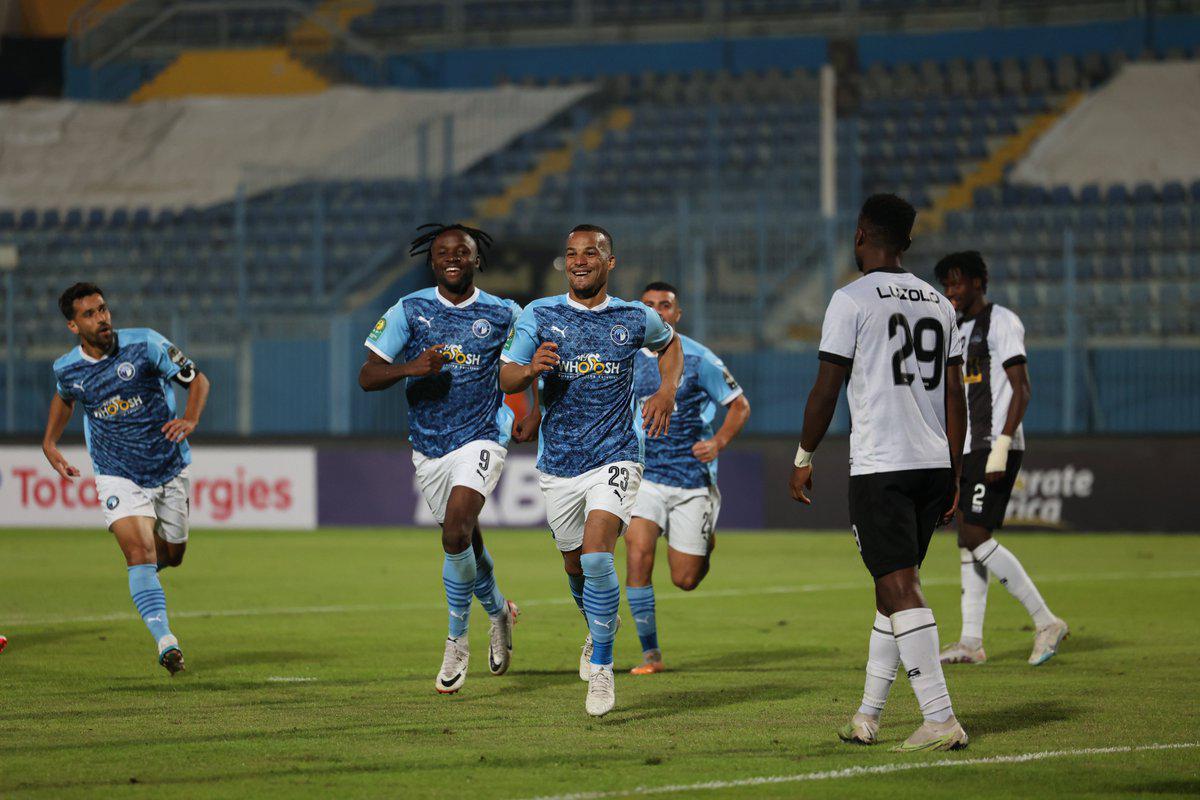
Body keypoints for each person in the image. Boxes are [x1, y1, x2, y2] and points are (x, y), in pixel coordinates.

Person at [789, 195, 969, 751]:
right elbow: (956, 395)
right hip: (933, 463)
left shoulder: (851, 299)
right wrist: (955, 472)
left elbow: (827, 386)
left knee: (900, 586)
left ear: (863, 232)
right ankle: (867, 716)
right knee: (889, 591)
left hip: (883, 467)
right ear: (907, 241)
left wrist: (803, 455)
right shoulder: (939, 302)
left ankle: (940, 718)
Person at [499, 224, 682, 717]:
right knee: (576, 567)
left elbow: (670, 345)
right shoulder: (541, 314)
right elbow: (506, 374)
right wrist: (531, 369)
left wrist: (666, 391)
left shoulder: (632, 316)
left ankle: (601, 668)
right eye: (572, 254)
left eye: (591, 253)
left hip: (617, 455)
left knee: (600, 558)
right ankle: (600, 626)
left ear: (610, 262)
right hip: (559, 464)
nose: (579, 261)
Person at [360, 223, 538, 695]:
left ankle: (456, 641)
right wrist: (411, 368)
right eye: (443, 252)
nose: (452, 258)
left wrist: (531, 410)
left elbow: (527, 362)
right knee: (465, 543)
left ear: (477, 260)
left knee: (456, 528)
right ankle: (499, 611)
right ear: (432, 261)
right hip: (429, 446)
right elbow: (367, 375)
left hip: (484, 436)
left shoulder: (503, 312)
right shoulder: (409, 309)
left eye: (463, 251)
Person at [43, 283, 211, 675]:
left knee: (172, 556)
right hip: (116, 474)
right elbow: (64, 396)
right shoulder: (67, 368)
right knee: (140, 555)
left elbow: (198, 380)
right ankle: (166, 641)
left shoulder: (146, 344)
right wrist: (50, 443)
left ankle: (145, 573)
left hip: (168, 467)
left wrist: (191, 418)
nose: (102, 318)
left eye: (103, 309)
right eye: (90, 314)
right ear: (72, 325)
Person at [935, 251, 1068, 666]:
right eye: (947, 284)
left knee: (975, 536)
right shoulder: (956, 328)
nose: (952, 291)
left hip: (995, 444)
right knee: (966, 537)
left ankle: (1046, 621)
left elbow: (1021, 388)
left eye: (958, 282)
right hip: (971, 445)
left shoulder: (1002, 321)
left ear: (979, 282)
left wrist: (1001, 444)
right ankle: (971, 642)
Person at [625, 281, 750, 675]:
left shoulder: (698, 358)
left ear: (677, 315)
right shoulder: (623, 355)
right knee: (638, 553)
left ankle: (703, 541)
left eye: (666, 306)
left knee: (685, 579)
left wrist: (718, 441)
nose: (658, 311)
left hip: (691, 480)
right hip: (643, 475)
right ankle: (651, 655)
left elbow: (739, 405)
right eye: (649, 305)